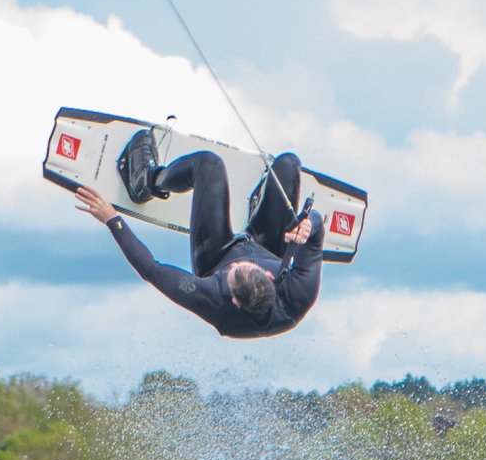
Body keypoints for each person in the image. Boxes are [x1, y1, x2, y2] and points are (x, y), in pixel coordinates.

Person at [73, 129, 324, 338]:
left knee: (208, 163)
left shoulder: (213, 301)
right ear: (269, 275)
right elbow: (317, 230)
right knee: (289, 164)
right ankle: (260, 205)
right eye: (247, 267)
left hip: (215, 255)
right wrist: (308, 226)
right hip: (267, 247)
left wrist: (112, 219)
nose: (239, 263)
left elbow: (151, 270)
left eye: (235, 271)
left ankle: (146, 181)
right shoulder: (298, 293)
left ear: (234, 300)